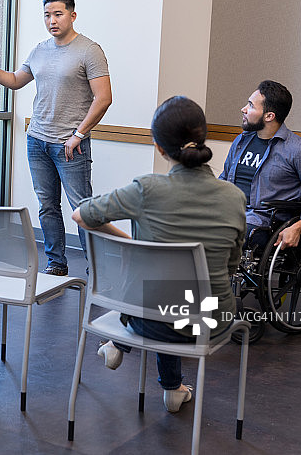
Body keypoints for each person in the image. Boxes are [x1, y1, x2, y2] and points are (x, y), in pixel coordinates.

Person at [72, 96, 246, 413]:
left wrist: (131, 242)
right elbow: (231, 266)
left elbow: (81, 216)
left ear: (160, 148)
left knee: (158, 296)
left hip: (144, 318)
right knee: (182, 297)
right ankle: (172, 388)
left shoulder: (146, 189)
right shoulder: (235, 197)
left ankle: (119, 345)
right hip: (208, 321)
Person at [0, 0, 112, 277]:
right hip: (38, 140)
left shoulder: (89, 50)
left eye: (58, 14)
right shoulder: (40, 49)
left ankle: (99, 271)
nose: (52, 20)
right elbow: (15, 80)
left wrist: (79, 134)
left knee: (84, 209)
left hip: (71, 145)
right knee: (47, 206)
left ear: (72, 15)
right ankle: (56, 263)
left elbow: (104, 98)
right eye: (47, 15)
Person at [219, 80, 301, 250]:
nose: (243, 109)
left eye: (251, 106)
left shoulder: (299, 151)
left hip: (261, 224)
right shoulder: (241, 140)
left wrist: (299, 226)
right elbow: (224, 179)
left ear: (269, 116)